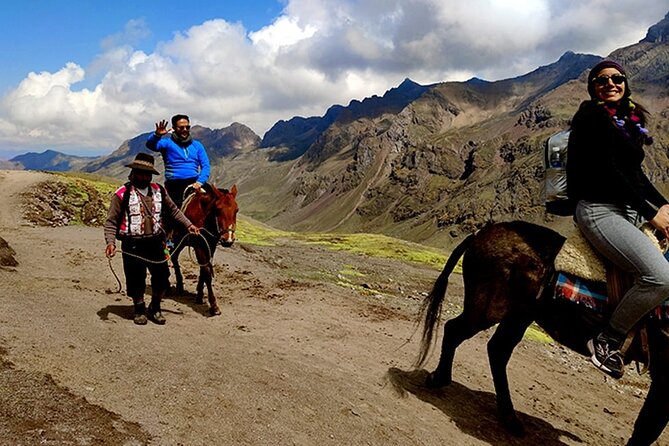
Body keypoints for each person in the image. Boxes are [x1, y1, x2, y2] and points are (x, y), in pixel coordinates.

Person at [567, 60, 669, 378]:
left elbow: (635, 176)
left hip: (627, 210)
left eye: (617, 78)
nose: (610, 83)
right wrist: (653, 214)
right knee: (660, 277)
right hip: (599, 210)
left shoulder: (628, 121)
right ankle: (607, 340)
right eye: (602, 80)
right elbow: (611, 175)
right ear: (593, 88)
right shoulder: (591, 118)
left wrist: (665, 207)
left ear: (625, 83)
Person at [104, 153, 199, 325]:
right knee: (135, 277)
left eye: (147, 173)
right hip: (131, 243)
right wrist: (110, 243)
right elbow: (111, 221)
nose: (144, 176)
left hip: (155, 241)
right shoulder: (122, 194)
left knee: (162, 275)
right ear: (133, 173)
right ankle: (139, 309)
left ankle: (155, 307)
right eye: (140, 172)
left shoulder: (160, 191)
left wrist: (189, 225)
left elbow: (174, 211)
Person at [145, 114, 211, 209]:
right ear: (174, 128)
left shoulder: (197, 145)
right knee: (174, 211)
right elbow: (151, 145)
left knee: (217, 202)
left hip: (195, 182)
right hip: (175, 183)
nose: (185, 130)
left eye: (187, 127)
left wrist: (200, 182)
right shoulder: (167, 143)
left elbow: (206, 165)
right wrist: (157, 135)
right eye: (181, 127)